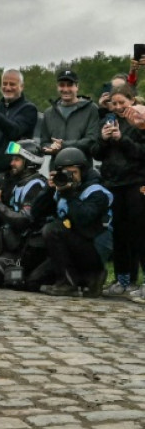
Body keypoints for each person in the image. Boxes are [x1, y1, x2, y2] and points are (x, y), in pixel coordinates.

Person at [30, 148, 111, 297]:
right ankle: (83, 280)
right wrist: (49, 189)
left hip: (93, 248)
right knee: (34, 281)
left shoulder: (97, 191)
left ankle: (75, 282)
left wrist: (69, 194)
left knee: (53, 229)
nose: (69, 177)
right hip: (71, 246)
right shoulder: (60, 188)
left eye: (73, 173)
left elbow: (84, 219)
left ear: (83, 171)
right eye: (65, 173)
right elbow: (35, 213)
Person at [89, 85, 145, 297]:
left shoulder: (140, 120)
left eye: (123, 102)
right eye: (116, 103)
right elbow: (96, 153)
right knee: (120, 235)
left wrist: (122, 139)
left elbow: (141, 153)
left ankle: (141, 281)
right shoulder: (107, 121)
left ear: (131, 100)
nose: (119, 107)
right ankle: (123, 280)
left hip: (135, 183)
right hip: (114, 185)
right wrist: (104, 139)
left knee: (139, 234)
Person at [0, 140, 47, 289]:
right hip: (13, 247)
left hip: (28, 249)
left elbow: (24, 220)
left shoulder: (36, 185)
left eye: (17, 159)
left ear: (30, 162)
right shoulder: (18, 182)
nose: (12, 163)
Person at [39, 70, 100, 159]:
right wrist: (51, 147)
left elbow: (92, 141)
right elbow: (43, 143)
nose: (66, 89)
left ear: (77, 87)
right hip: (56, 169)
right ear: (57, 87)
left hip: (82, 168)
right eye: (62, 85)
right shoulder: (48, 113)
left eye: (70, 85)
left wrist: (63, 145)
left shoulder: (91, 109)